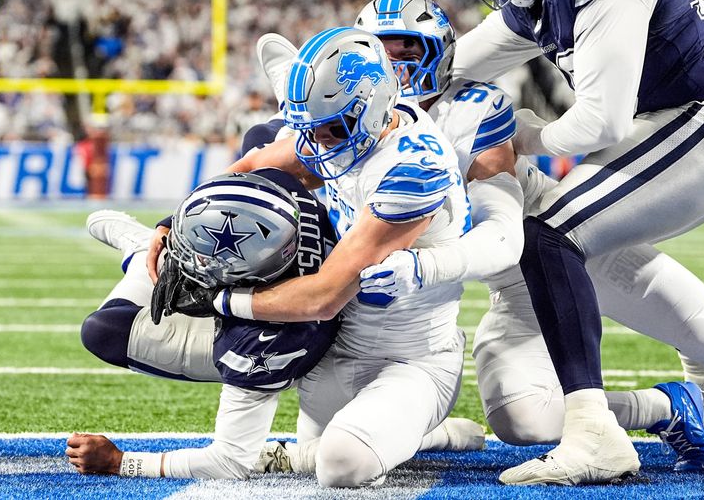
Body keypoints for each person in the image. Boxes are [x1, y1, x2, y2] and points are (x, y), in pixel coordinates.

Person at [353, 0, 704, 472]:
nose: (394, 65)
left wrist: (426, 265)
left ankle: (702, 377)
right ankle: (668, 405)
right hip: (515, 290)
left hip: (573, 249)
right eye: (381, 51)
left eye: (408, 49)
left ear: (438, 54)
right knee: (520, 419)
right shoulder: (340, 130)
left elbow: (505, 235)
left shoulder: (472, 109)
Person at [445, 0, 704, 485]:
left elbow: (603, 122)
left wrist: (525, 137)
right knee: (574, 239)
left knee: (551, 233)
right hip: (676, 116)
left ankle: (593, 434)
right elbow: (446, 66)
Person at [177, 27, 478, 488]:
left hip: (412, 360)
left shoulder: (413, 167)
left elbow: (324, 296)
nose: (318, 142)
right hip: (336, 351)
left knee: (340, 464)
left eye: (332, 127)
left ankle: (422, 427)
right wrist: (174, 225)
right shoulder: (336, 128)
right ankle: (421, 434)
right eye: (309, 129)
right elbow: (249, 169)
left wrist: (220, 299)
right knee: (318, 453)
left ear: (374, 108)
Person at [65, 168, 341, 479]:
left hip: (317, 357)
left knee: (104, 332)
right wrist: (168, 225)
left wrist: (120, 462)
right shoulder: (285, 193)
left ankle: (143, 254)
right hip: (309, 311)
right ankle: (152, 249)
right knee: (260, 136)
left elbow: (229, 461)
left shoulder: (267, 339)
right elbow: (251, 171)